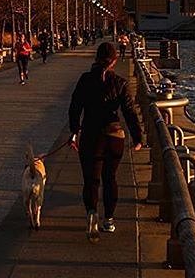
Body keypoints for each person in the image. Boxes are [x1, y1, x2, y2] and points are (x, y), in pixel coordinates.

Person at [68, 41, 143, 241]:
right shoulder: (120, 83)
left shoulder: (85, 80)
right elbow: (129, 112)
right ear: (114, 61)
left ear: (96, 58)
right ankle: (109, 220)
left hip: (91, 137)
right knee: (110, 178)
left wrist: (74, 132)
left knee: (91, 180)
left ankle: (92, 213)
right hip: (113, 137)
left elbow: (74, 108)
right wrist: (138, 137)